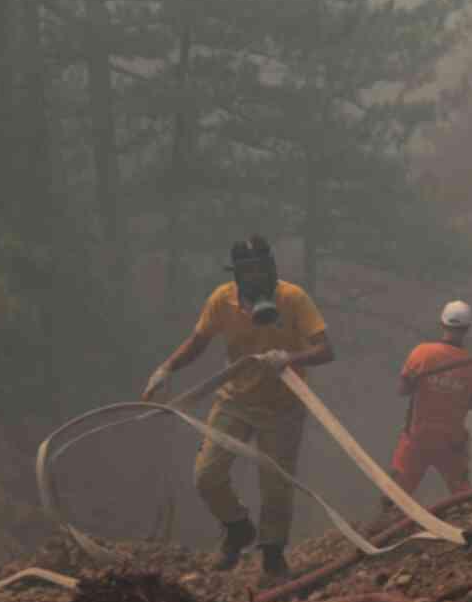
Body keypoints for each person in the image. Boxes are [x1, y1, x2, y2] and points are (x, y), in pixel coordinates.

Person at [142, 234, 334, 583]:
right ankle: (237, 528)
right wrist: (166, 368)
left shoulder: (292, 298)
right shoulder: (222, 300)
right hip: (235, 400)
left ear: (273, 267)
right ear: (238, 274)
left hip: (283, 407)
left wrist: (289, 358)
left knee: (276, 486)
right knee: (207, 475)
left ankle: (273, 558)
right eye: (251, 270)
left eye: (264, 268)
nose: (259, 277)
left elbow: (325, 349)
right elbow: (198, 342)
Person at [387, 300, 472, 499]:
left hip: (416, 440)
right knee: (464, 499)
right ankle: (468, 528)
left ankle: (384, 527)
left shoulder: (422, 353)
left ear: (442, 324)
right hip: (451, 443)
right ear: (467, 329)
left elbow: (402, 390)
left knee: (395, 499)